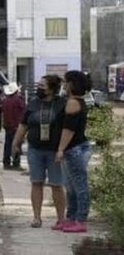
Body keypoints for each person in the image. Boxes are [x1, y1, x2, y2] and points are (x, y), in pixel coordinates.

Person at [12, 75, 67, 229]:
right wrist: (15, 143)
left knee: (56, 184)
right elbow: (23, 125)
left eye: (43, 85)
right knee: (36, 183)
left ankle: (61, 219)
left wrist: (62, 149)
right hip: (35, 150)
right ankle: (36, 217)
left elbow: (66, 128)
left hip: (54, 151)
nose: (39, 88)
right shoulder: (33, 104)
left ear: (51, 88)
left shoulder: (61, 104)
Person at [55, 71, 92, 233]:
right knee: (70, 187)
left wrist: (61, 149)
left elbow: (68, 129)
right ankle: (71, 218)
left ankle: (80, 219)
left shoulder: (73, 103)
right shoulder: (73, 101)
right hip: (74, 149)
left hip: (74, 149)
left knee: (79, 185)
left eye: (65, 82)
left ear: (71, 84)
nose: (63, 84)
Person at [2, 82, 25, 169]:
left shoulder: (5, 100)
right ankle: (16, 163)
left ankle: (6, 163)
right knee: (17, 144)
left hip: (7, 125)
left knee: (7, 144)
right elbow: (24, 110)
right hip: (16, 125)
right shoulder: (19, 100)